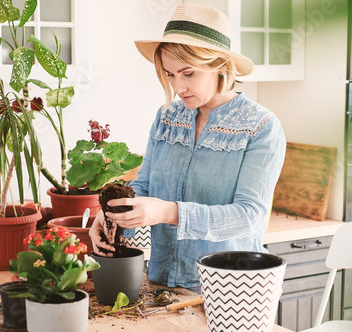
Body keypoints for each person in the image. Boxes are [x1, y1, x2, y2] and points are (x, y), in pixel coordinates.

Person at [89, 3, 286, 293]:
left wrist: (169, 212)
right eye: (170, 74)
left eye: (188, 73)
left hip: (227, 291)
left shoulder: (260, 126)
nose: (178, 87)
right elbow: (143, 186)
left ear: (219, 64)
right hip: (161, 283)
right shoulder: (168, 116)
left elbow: (248, 216)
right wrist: (109, 217)